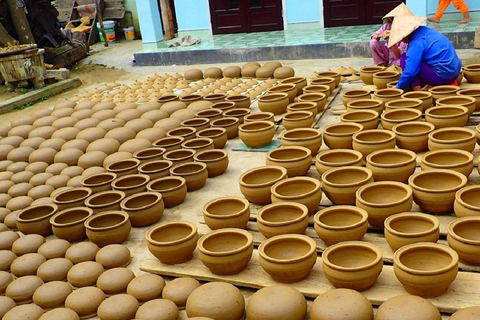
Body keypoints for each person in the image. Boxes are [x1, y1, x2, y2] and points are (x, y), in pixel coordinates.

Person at [388, 15, 462, 91]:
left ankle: (418, 92)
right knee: (417, 60)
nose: (401, 41)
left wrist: (398, 86)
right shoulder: (426, 31)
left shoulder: (416, 42)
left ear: (406, 34)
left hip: (443, 76)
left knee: (404, 59)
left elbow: (410, 72)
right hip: (455, 73)